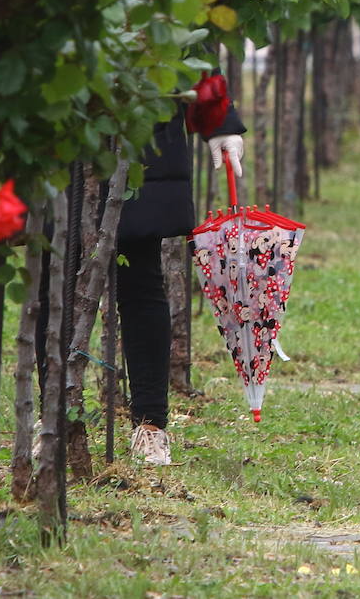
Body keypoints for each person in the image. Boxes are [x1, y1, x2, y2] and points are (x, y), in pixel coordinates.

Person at [117, 74, 245, 465]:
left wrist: (218, 121)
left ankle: (151, 426)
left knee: (140, 277)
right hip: (65, 120)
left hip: (144, 126)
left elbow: (184, 31)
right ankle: (51, 417)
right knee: (57, 285)